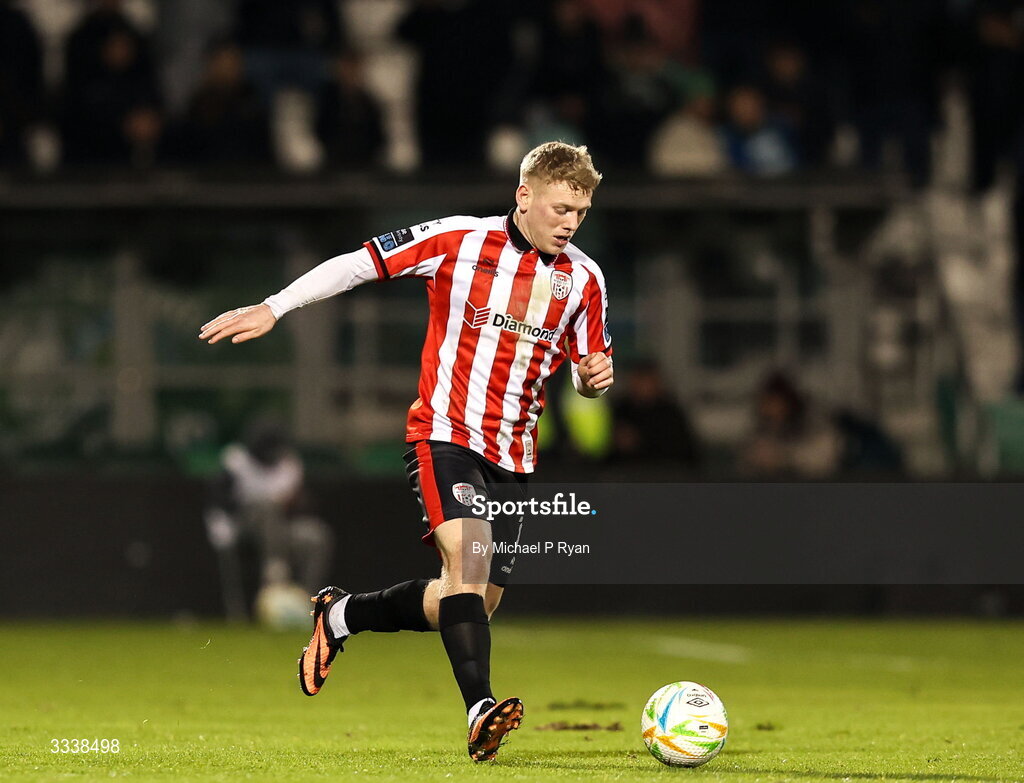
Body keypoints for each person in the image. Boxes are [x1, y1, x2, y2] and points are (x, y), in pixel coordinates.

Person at [198, 142, 613, 762]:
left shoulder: (583, 278)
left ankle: (341, 618)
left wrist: (592, 379)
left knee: (470, 599)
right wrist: (275, 306)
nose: (568, 223)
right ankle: (480, 711)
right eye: (559, 208)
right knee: (469, 563)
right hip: (444, 434)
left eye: (579, 213)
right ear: (523, 195)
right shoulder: (458, 240)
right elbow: (356, 265)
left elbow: (585, 366)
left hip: (515, 455)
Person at [204, 422, 332, 621]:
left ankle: (307, 604)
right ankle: (275, 569)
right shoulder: (236, 461)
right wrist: (220, 527)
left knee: (316, 535)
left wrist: (294, 502)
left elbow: (302, 505)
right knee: (266, 506)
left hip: (282, 528)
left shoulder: (289, 464)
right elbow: (219, 500)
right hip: (244, 525)